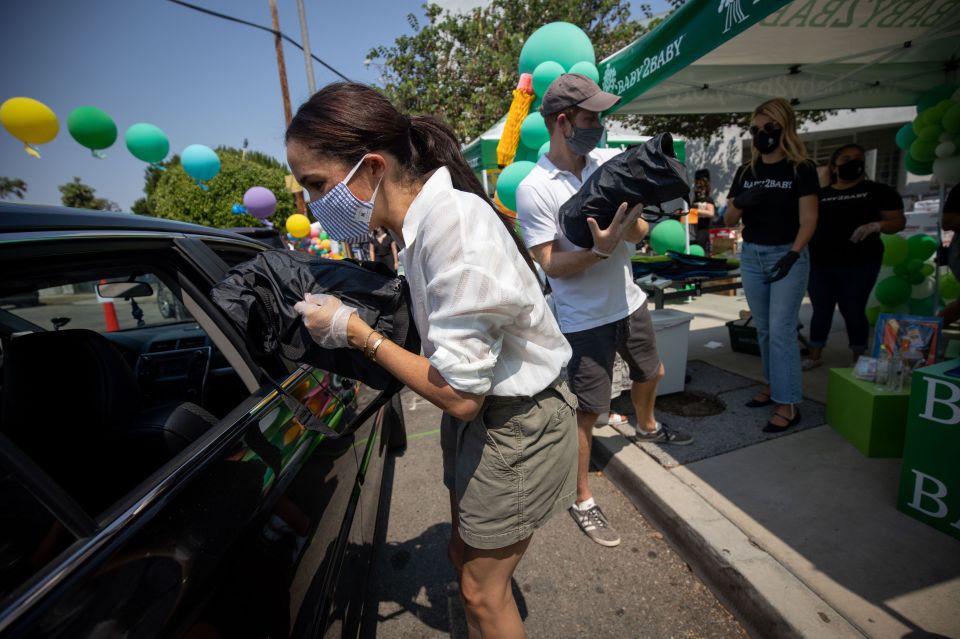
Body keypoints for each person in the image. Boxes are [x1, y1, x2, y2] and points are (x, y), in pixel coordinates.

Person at [286, 82, 578, 639]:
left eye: (317, 186)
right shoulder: (416, 229)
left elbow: (461, 396)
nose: (313, 206)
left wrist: (354, 333)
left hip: (512, 423)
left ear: (370, 169)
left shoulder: (454, 228)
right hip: (485, 419)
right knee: (460, 549)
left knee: (480, 593)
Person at [516, 73, 693, 549]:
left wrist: (629, 228)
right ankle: (582, 497)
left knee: (651, 370)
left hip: (628, 301)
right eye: (592, 117)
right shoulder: (534, 189)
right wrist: (597, 251)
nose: (600, 124)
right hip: (582, 319)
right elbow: (551, 263)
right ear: (563, 121)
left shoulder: (609, 163)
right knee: (588, 412)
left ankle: (647, 426)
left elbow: (635, 234)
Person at [725, 97, 819, 433]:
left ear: (784, 128)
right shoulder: (746, 172)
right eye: (755, 129)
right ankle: (773, 386)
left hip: (786, 253)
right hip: (752, 254)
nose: (762, 134)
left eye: (769, 128)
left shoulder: (801, 169)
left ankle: (788, 402)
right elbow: (728, 217)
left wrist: (793, 254)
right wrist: (741, 201)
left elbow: (809, 219)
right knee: (763, 329)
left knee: (781, 331)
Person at [805, 144, 905, 368]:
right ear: (834, 166)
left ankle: (859, 359)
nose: (852, 162)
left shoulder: (879, 192)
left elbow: (898, 221)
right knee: (821, 308)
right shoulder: (820, 195)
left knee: (853, 308)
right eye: (846, 158)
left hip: (860, 262)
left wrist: (876, 225)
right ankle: (814, 355)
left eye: (858, 158)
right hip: (821, 261)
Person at [691, 168, 716, 251]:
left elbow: (711, 213)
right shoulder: (695, 200)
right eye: (697, 184)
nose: (698, 188)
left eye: (700, 185)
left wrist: (696, 211)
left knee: (702, 250)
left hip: (705, 230)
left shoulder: (708, 199)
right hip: (696, 230)